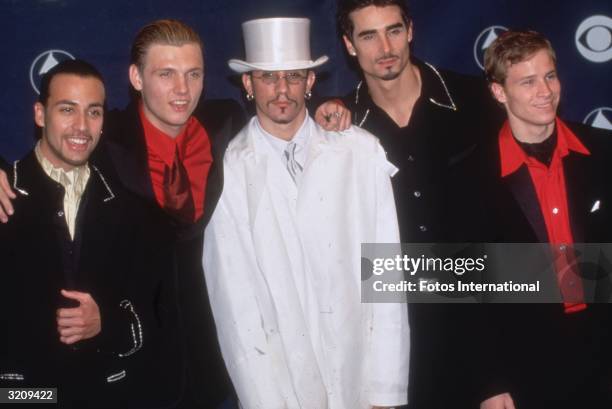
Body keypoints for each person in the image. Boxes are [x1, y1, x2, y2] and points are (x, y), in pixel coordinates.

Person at [203, 17, 410, 409]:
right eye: (267, 78)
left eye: (294, 76)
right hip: (281, 389)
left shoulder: (360, 153)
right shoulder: (228, 170)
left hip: (361, 380)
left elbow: (386, 275)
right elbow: (236, 308)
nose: (282, 90)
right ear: (248, 84)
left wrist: (384, 391)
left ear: (310, 82)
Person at [336, 1, 501, 407]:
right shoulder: (338, 130)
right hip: (396, 344)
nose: (385, 46)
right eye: (368, 35)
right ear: (349, 45)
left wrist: (502, 371)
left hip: (483, 326)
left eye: (393, 30)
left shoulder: (475, 101)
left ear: (410, 30)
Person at [0, 59, 173, 408]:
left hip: (106, 396)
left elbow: (158, 316)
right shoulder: (5, 193)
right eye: (67, 110)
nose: (81, 126)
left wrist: (105, 323)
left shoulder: (131, 207)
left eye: (93, 112)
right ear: (39, 113)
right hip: (22, 397)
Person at [465, 29, 612, 409]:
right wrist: (489, 382)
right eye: (528, 82)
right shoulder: (471, 175)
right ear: (499, 92)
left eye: (549, 76)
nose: (545, 91)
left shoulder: (603, 153)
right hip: (525, 367)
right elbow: (465, 290)